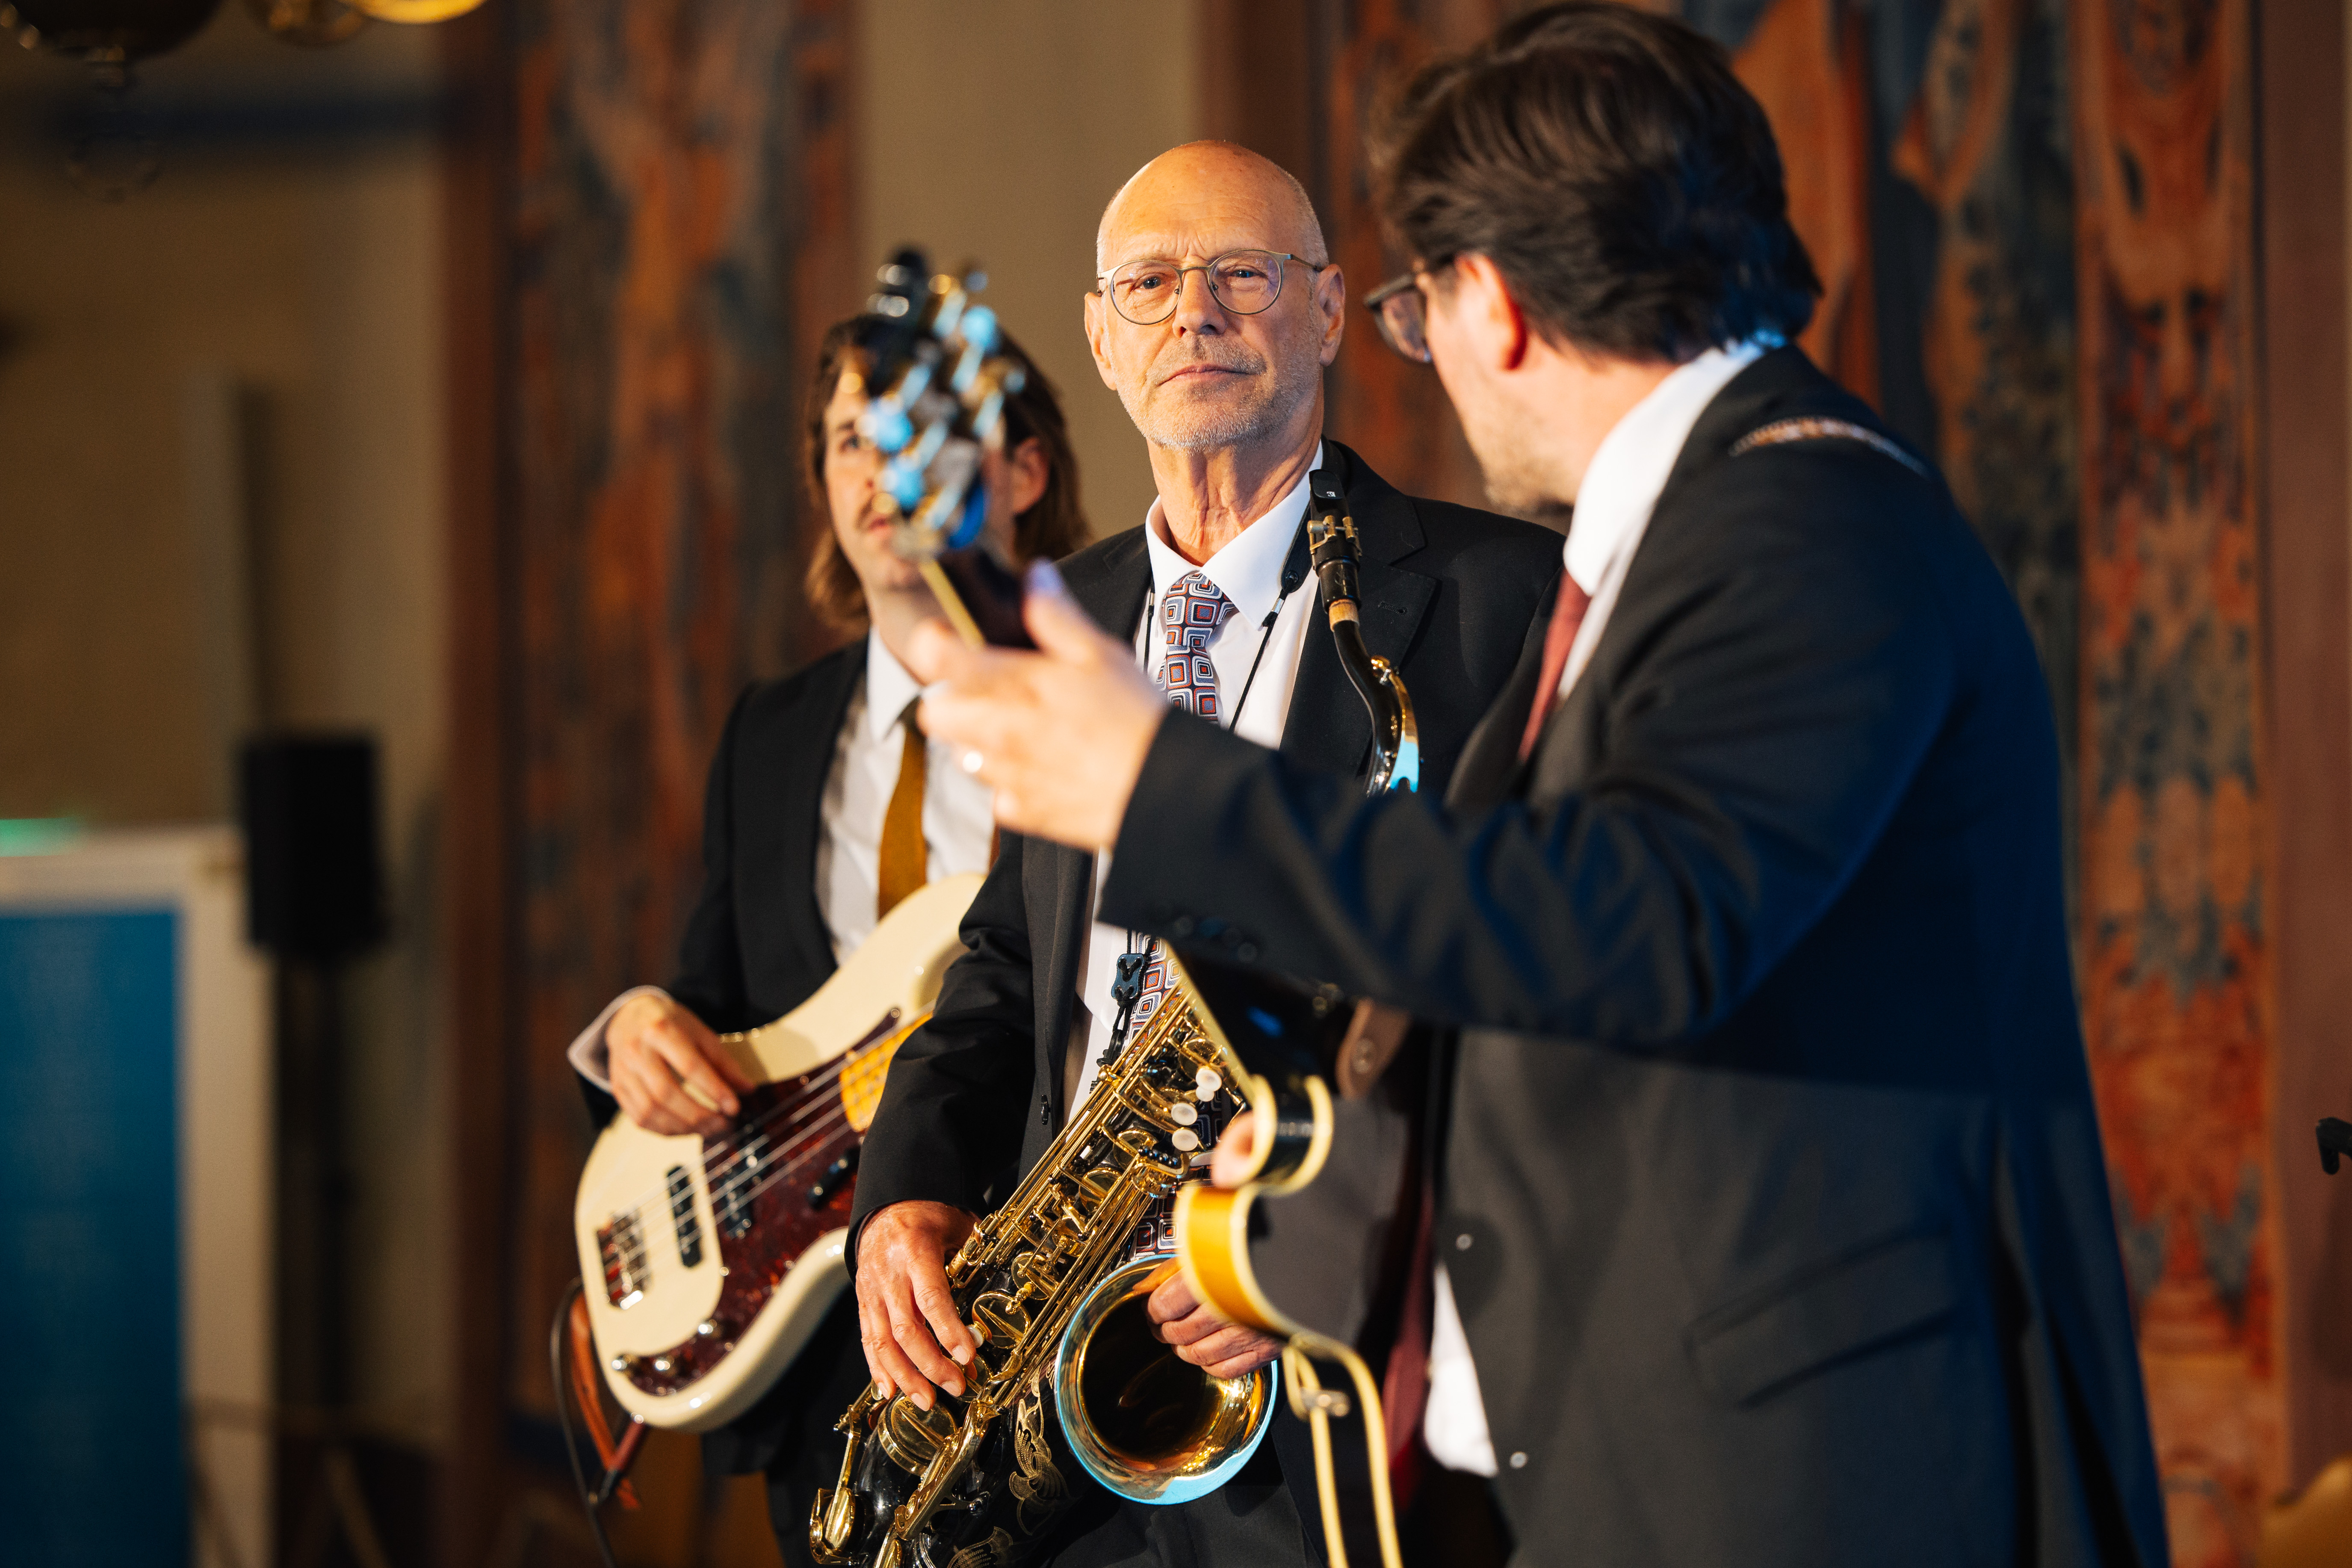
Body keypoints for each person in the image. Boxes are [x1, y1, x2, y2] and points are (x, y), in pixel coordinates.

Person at [901, 10, 2170, 1567]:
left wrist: (1157, 783)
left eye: (1416, 310)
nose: (1428, 356)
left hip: (1817, 1467)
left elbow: (1631, 925)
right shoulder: (1713, 526)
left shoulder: (1803, 524)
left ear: (1489, 304)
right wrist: (1328, 1179)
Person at [845, 141, 1563, 1567]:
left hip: (1321, 1384)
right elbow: (1006, 962)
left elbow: (1532, 1005)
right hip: (1051, 1374)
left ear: (1329, 311)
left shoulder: (1503, 602)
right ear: (1101, 337)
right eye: (1150, 283)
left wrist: (1322, 1236)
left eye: (1244, 272)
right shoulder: (1054, 613)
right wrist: (905, 1189)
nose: (1196, 311)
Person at [563, 315, 1090, 1568]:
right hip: (819, 1365)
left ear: (1023, 472)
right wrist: (638, 1027)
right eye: (851, 438)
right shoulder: (771, 730)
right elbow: (720, 994)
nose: (878, 470)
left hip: (1043, 1313)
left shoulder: (1106, 704)